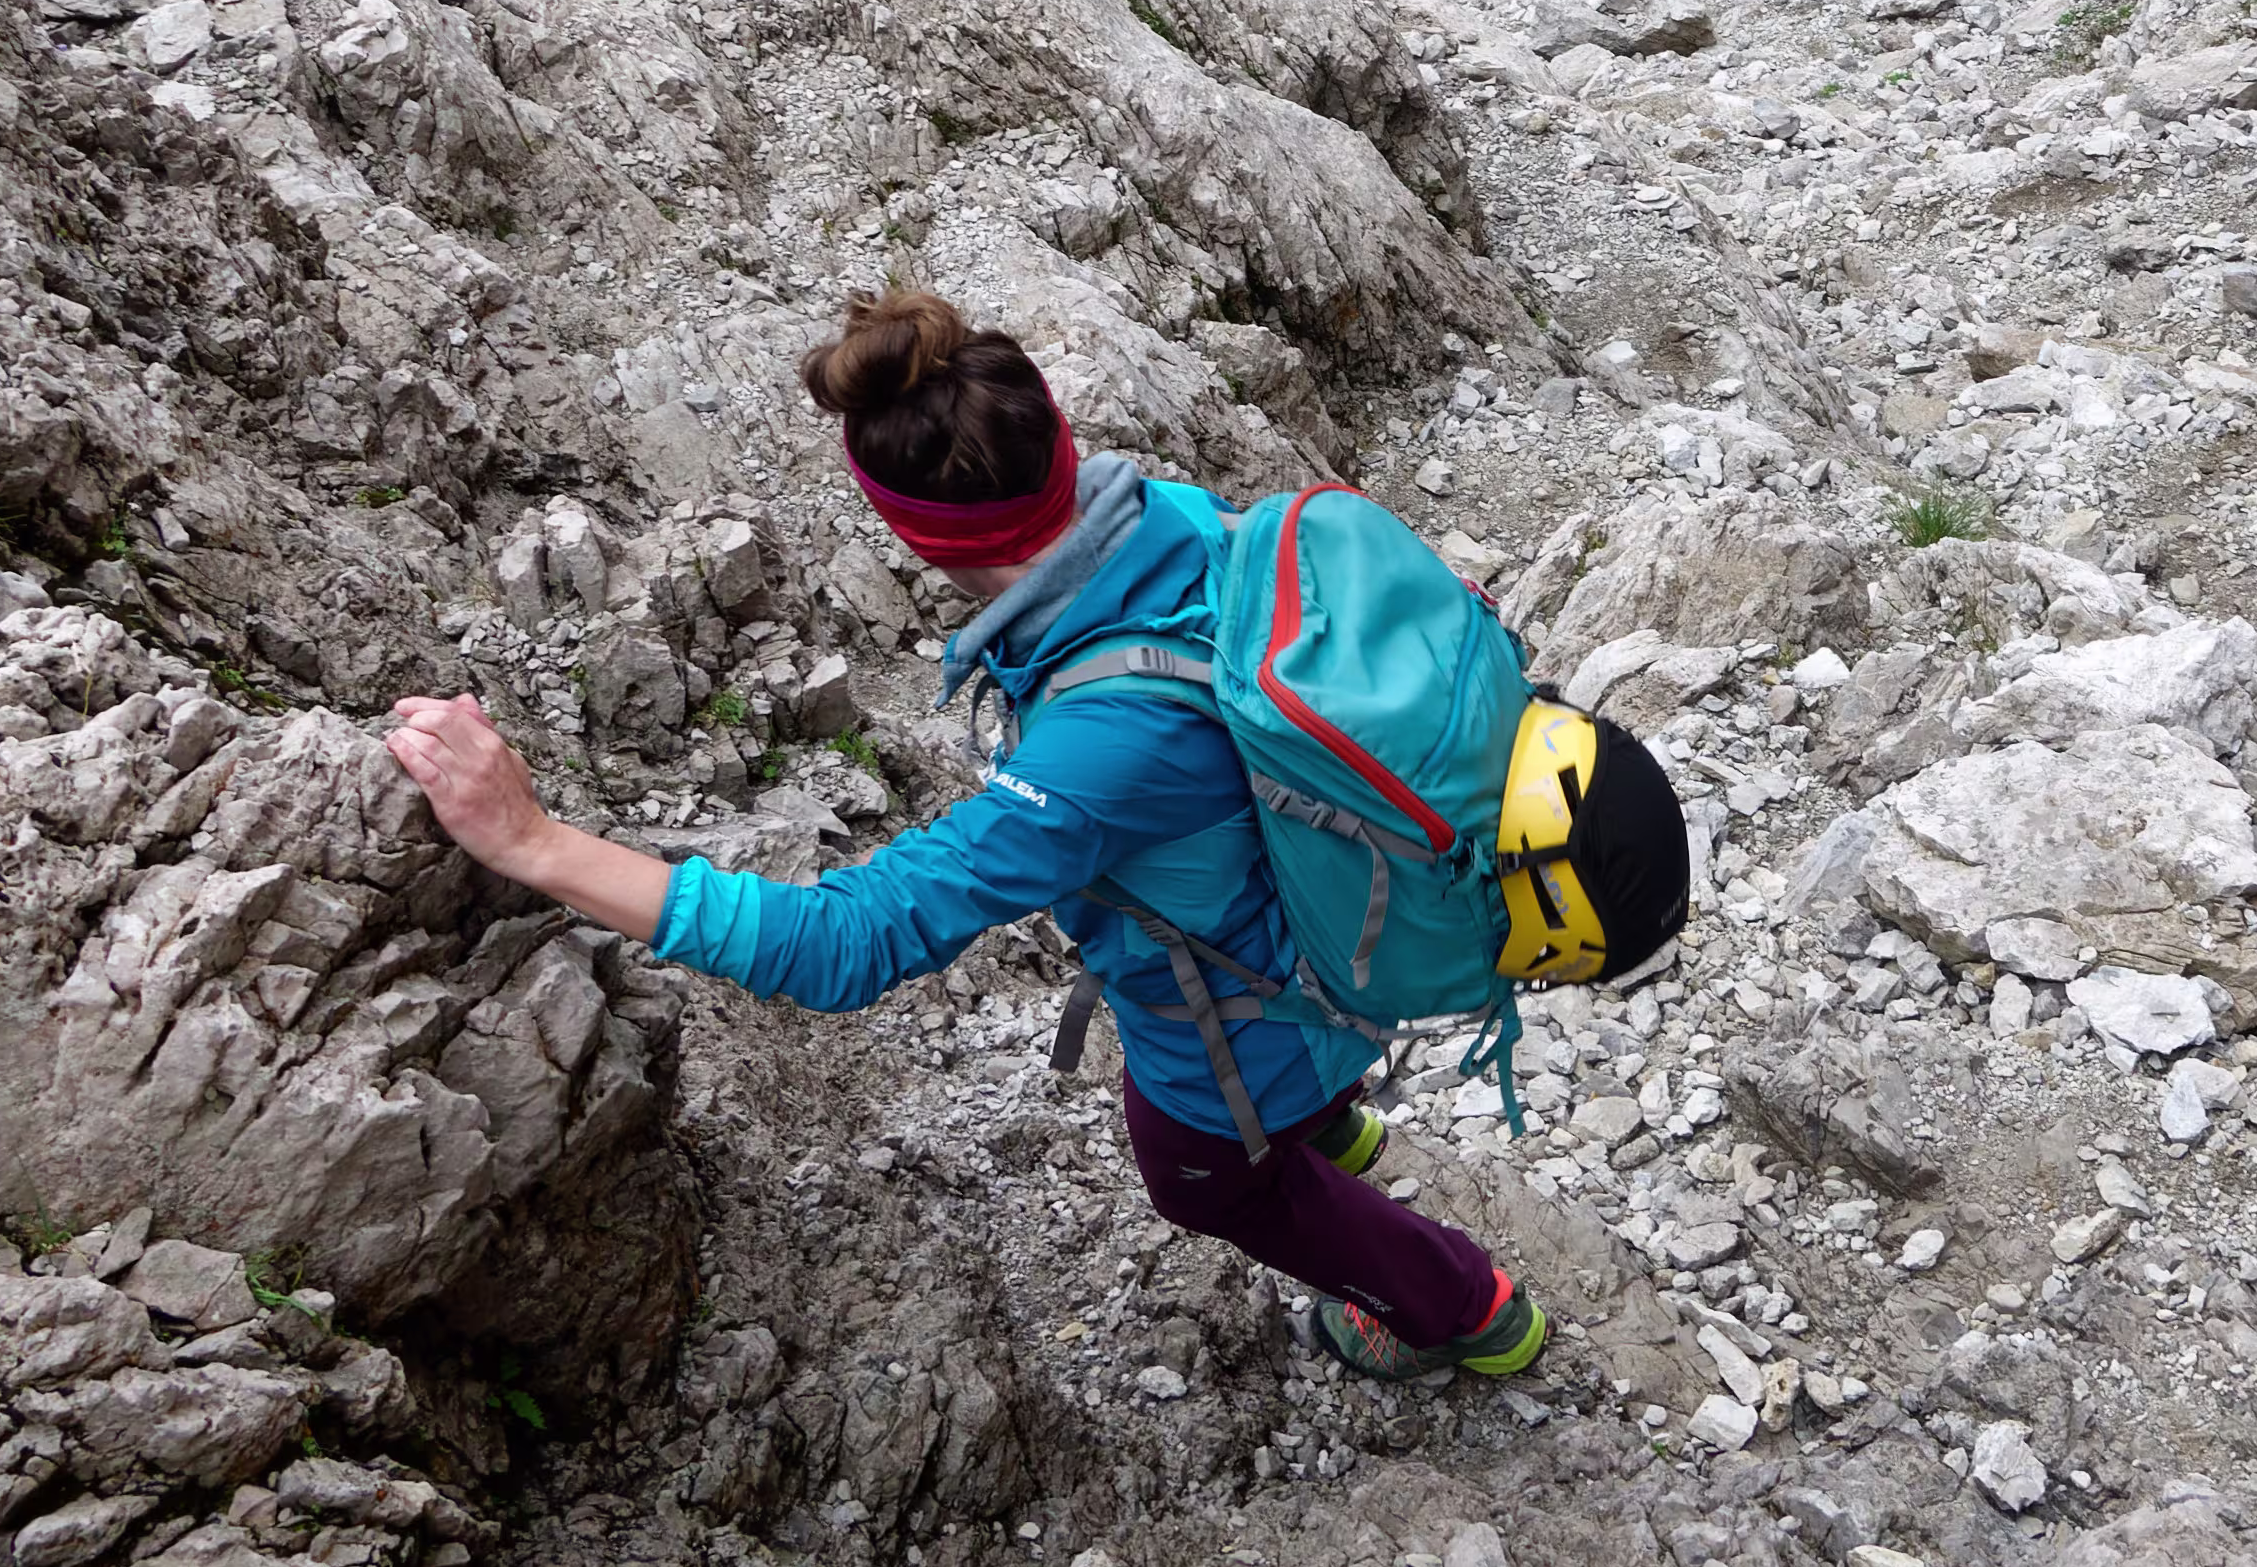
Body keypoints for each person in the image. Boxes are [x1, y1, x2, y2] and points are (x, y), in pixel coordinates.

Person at [382, 287, 1679, 1382]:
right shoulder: (1162, 518)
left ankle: (1462, 1309)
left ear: (913, 532)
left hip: (1247, 1033)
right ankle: (1330, 1117)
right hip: (1330, 919)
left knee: (1209, 1184)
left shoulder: (1101, 748)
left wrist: (536, 844)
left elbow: (845, 944)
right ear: (1060, 449)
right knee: (1286, 1088)